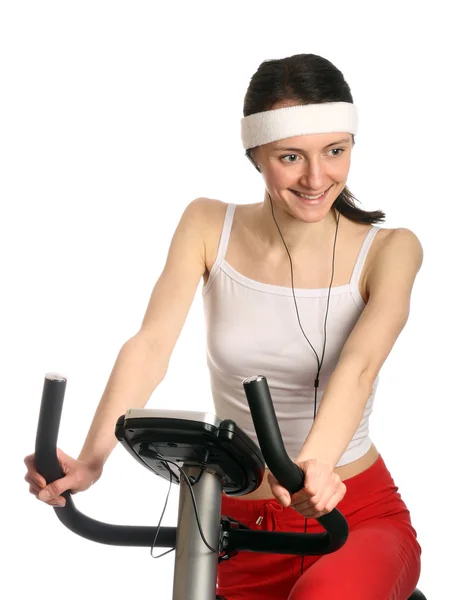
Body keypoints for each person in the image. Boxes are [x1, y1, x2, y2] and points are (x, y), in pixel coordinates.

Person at [24, 53, 423, 599]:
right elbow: (152, 343)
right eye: (290, 157)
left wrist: (315, 469)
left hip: (350, 515)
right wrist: (92, 460)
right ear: (255, 153)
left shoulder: (391, 250)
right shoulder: (208, 224)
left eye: (336, 151)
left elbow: (358, 368)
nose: (316, 177)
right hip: (233, 530)